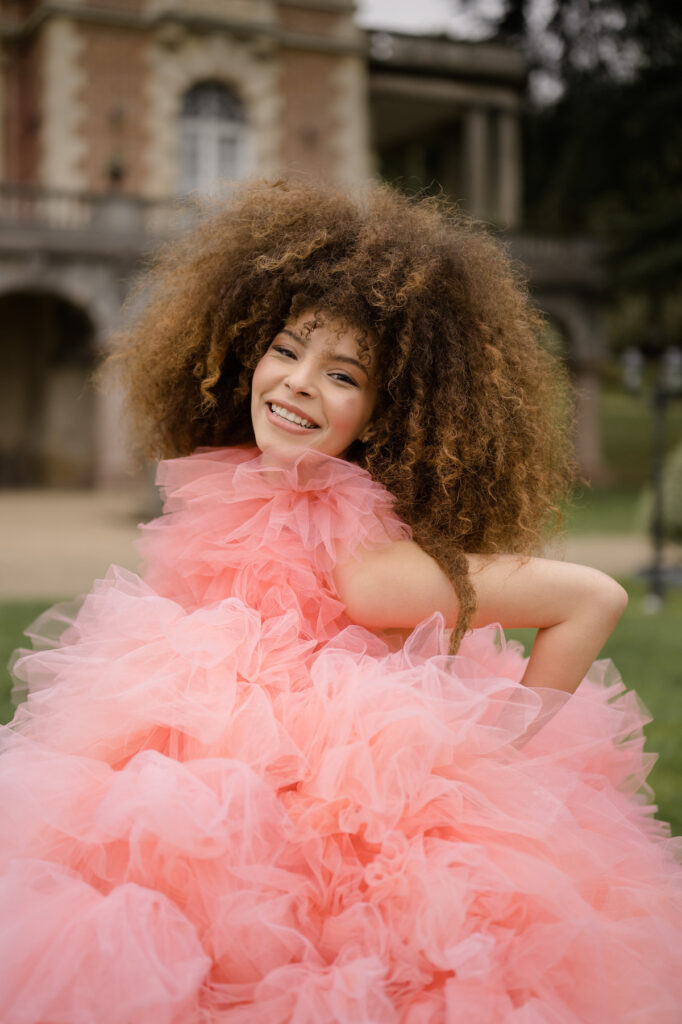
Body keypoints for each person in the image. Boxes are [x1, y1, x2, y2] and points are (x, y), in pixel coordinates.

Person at [1, 180, 680, 1023]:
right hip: (228, 810)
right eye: (286, 350)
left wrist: (497, 748)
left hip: (330, 855)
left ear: (387, 411)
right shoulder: (243, 493)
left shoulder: (364, 559)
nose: (297, 384)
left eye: (344, 374)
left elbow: (593, 596)